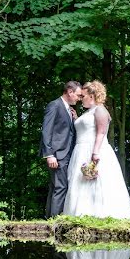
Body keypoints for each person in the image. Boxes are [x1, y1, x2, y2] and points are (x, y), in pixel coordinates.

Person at [62, 80, 130, 219]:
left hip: (93, 148)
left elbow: (101, 133)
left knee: (97, 182)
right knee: (81, 182)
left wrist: (95, 152)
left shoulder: (100, 110)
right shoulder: (88, 112)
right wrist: (76, 118)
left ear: (91, 95)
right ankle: (81, 213)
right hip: (81, 149)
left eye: (83, 96)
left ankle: (101, 214)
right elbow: (85, 128)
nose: (81, 99)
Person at [39, 81, 82, 218]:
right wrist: (49, 154)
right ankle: (55, 220)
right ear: (70, 92)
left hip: (66, 153)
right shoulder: (54, 105)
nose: (79, 98)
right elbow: (46, 131)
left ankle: (50, 218)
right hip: (57, 154)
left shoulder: (69, 109)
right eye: (78, 95)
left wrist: (75, 119)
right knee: (61, 187)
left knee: (56, 186)